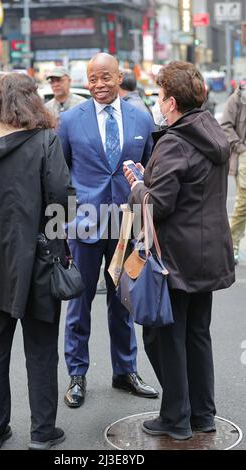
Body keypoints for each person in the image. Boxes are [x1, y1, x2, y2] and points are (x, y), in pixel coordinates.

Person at [0, 73, 75, 450]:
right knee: (40, 349)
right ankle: (42, 433)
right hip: (37, 258)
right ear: (30, 101)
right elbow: (62, 202)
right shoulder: (44, 141)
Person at [124, 61, 235, 441]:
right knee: (197, 334)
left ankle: (175, 417)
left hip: (176, 257)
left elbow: (158, 204)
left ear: (171, 102)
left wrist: (138, 184)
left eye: (158, 95)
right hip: (208, 252)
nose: (156, 101)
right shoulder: (210, 130)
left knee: (164, 335)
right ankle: (202, 414)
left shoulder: (174, 140)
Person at [58, 53, 158, 408]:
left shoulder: (141, 119)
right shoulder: (69, 120)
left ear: (119, 78)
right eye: (92, 78)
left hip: (126, 227)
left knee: (124, 302)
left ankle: (125, 370)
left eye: (105, 77)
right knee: (78, 304)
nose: (98, 84)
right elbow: (61, 174)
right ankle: (77, 375)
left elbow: (150, 169)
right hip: (84, 224)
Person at [220, 80, 246, 264]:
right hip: (244, 154)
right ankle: (230, 245)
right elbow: (226, 126)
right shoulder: (237, 97)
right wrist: (240, 147)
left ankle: (230, 245)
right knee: (244, 201)